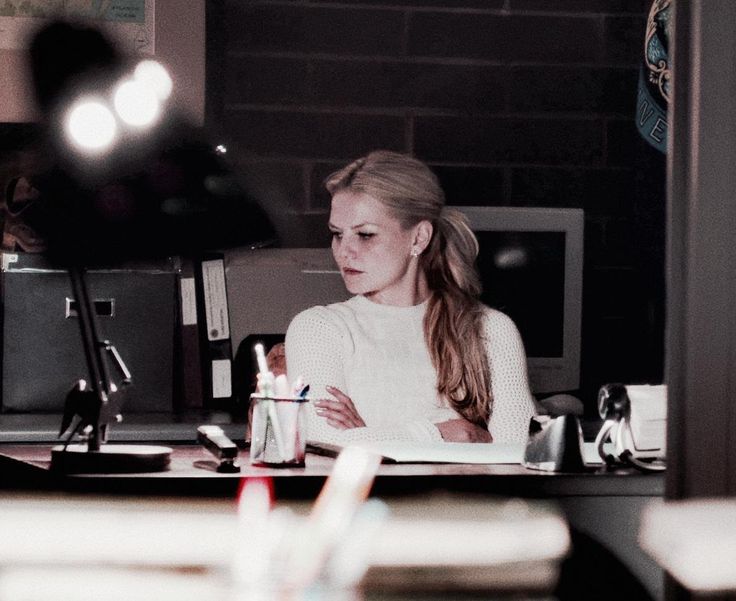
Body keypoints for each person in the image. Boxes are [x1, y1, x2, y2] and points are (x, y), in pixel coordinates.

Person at [285, 150, 536, 444]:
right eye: (338, 234)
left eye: (365, 234)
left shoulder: (489, 328)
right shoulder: (318, 328)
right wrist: (442, 433)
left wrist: (366, 436)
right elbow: (321, 441)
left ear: (419, 238)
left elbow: (521, 449)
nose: (344, 251)